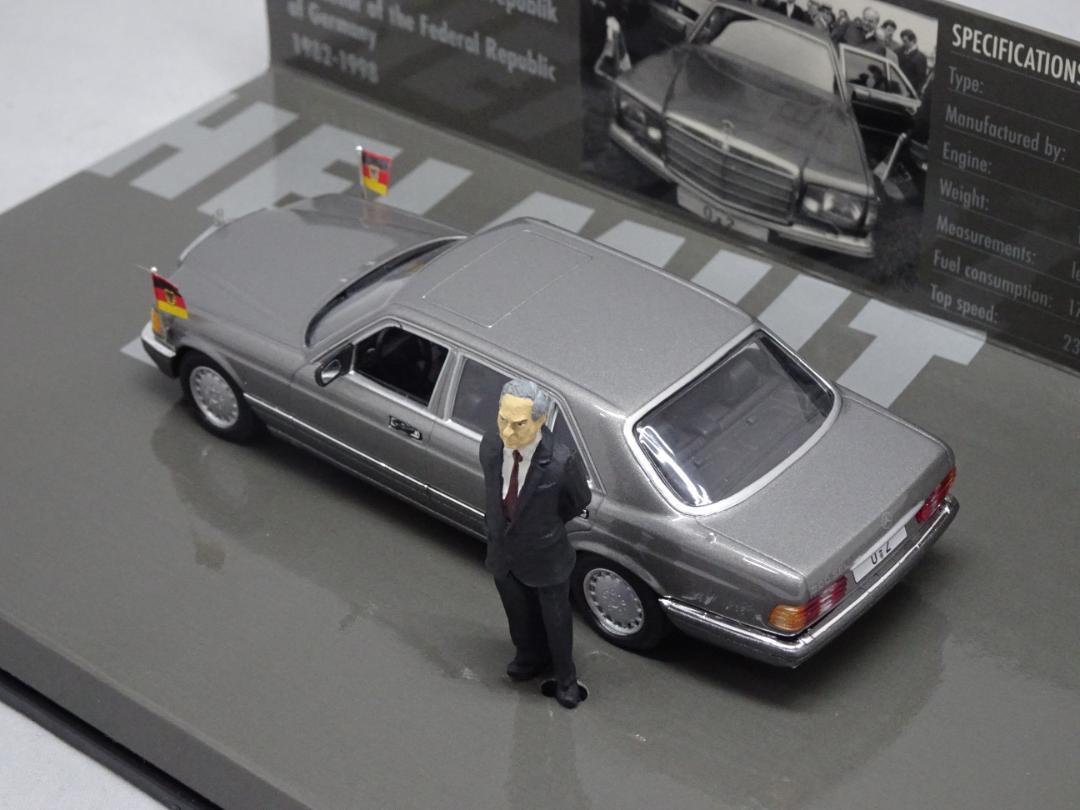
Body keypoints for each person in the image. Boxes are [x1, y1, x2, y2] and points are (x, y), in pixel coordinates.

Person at [480, 378, 592, 709]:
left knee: (556, 620)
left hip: (546, 556)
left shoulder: (559, 462)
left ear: (541, 420)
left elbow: (577, 501)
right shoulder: (491, 445)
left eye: (518, 424)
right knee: (516, 612)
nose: (507, 431)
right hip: (503, 551)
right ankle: (528, 657)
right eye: (502, 419)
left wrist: (543, 528)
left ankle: (565, 677)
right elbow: (494, 492)